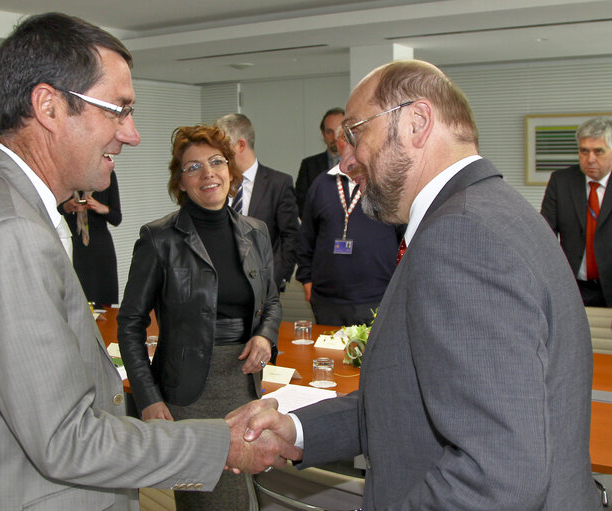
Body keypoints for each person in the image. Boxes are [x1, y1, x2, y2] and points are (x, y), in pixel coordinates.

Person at [0, 13, 297, 511]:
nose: (132, 133)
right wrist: (216, 443)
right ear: (49, 106)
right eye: (118, 110)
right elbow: (65, 439)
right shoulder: (9, 232)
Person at [233, 59, 601, 509]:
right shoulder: (490, 212)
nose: (345, 159)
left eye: (355, 133)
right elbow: (413, 400)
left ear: (417, 122)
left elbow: (498, 473)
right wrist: (299, 428)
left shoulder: (463, 236)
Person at [118, 124, 282, 510]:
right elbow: (130, 324)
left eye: (215, 162)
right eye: (193, 167)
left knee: (254, 497)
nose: (208, 173)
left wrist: (265, 336)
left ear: (230, 169)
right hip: (189, 393)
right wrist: (148, 398)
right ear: (181, 182)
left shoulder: (255, 232)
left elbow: (271, 299)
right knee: (211, 503)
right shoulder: (159, 239)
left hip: (245, 385)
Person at [296, 126, 401, 326]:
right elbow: (306, 237)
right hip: (327, 301)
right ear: (338, 143)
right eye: (345, 138)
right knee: (327, 356)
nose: (351, 144)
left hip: (377, 298)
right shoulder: (321, 184)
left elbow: (404, 239)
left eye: (357, 138)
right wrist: (306, 281)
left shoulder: (385, 184)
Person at [215, 113, 299, 291]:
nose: (218, 154)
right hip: (220, 286)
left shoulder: (278, 183)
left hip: (263, 288)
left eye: (222, 147)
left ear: (240, 145)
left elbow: (290, 238)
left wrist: (273, 281)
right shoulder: (216, 183)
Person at [541, 116, 612, 307]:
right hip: (572, 287)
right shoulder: (561, 182)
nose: (590, 159)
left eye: (599, 151)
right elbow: (544, 234)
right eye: (584, 151)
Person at [60, 170, 122, 306]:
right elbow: (52, 210)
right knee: (75, 300)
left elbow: (117, 218)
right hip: (74, 246)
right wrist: (67, 207)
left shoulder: (107, 174)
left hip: (100, 248)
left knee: (103, 302)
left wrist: (100, 208)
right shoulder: (64, 172)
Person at [295, 107, 344, 216]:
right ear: (323, 134)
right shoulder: (308, 166)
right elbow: (301, 203)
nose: (335, 137)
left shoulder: (358, 164)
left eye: (339, 132)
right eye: (329, 132)